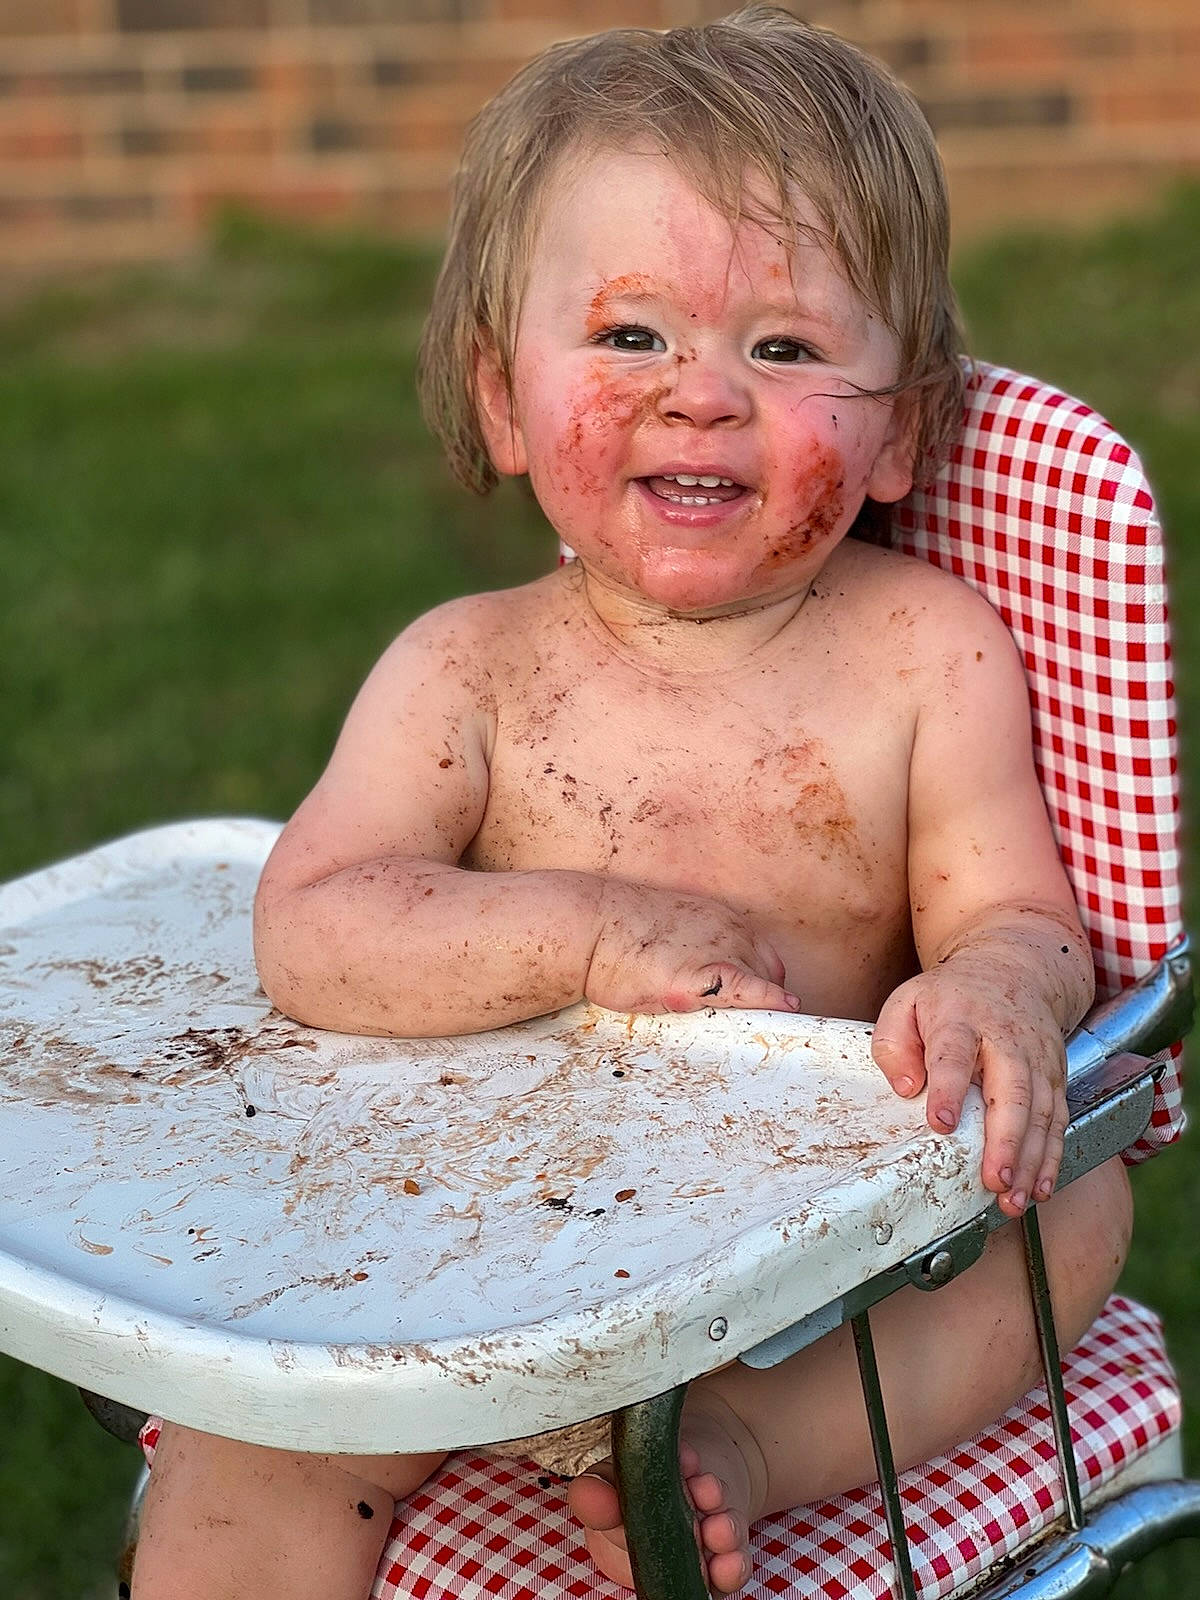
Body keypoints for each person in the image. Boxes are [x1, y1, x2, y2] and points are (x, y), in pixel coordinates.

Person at [131, 9, 1132, 1598]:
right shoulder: (465, 673)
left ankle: (741, 1442)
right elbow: (314, 924)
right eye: (630, 336)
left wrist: (1001, 985)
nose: (701, 396)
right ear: (504, 402)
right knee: (244, 1450)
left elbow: (1013, 910)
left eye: (785, 350)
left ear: (906, 430)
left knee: (1078, 1219)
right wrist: (589, 938)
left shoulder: (925, 660)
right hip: (451, 1241)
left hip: (795, 1259)